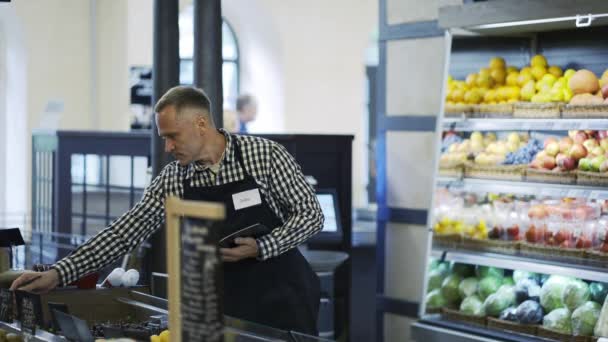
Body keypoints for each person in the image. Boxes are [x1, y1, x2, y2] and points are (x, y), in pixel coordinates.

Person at [11, 86, 324, 335]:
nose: (168, 147)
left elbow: (311, 215)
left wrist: (260, 246)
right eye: (164, 138)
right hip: (223, 305)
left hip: (285, 297)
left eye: (172, 136)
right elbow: (123, 233)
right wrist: (58, 273)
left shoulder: (264, 156)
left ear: (201, 124)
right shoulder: (175, 178)